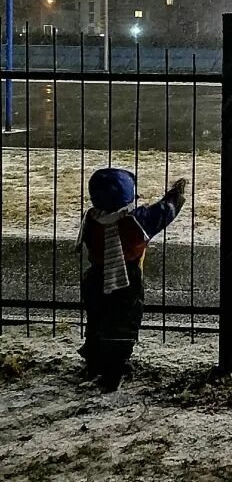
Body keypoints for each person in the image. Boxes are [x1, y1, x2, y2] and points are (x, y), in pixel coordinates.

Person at [77, 167, 187, 390]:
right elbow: (163, 212)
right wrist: (175, 196)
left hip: (96, 279)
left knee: (97, 321)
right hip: (125, 280)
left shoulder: (91, 218)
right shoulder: (135, 222)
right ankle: (113, 372)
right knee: (123, 324)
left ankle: (94, 363)